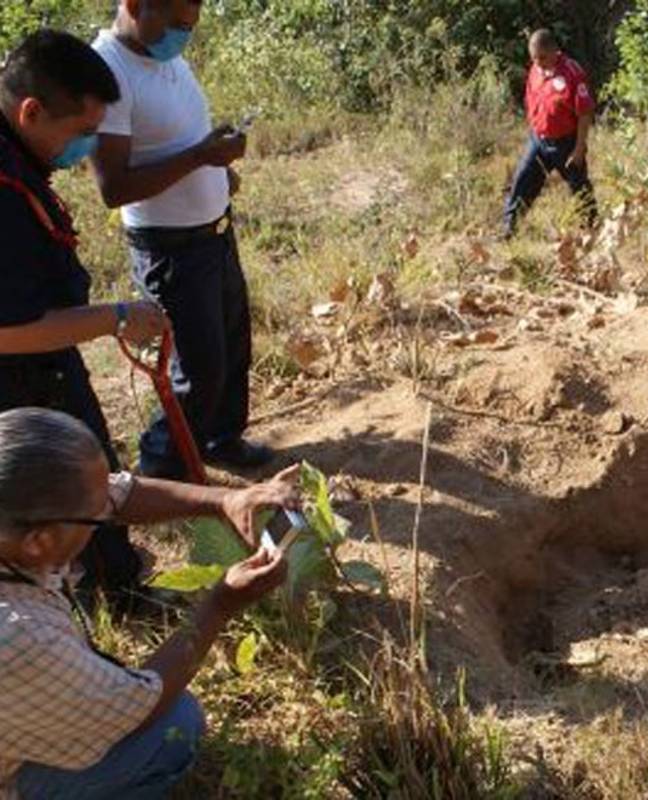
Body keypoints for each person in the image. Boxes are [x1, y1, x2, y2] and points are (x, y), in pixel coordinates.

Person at [0, 407, 298, 799]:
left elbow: (119, 495)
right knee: (175, 726)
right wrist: (221, 604)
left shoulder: (16, 523)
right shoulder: (20, 637)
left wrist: (226, 500)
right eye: (96, 518)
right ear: (38, 542)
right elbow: (140, 707)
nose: (107, 508)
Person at [0, 29, 171, 603]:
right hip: (22, 384)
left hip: (47, 368)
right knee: (67, 487)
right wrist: (116, 316)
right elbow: (8, 332)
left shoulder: (17, 159)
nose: (89, 148)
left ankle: (111, 578)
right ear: (31, 111)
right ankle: (107, 598)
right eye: (82, 133)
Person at [91, 0, 273, 481]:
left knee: (232, 348)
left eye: (190, 27)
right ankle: (160, 472)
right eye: (175, 24)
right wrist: (201, 158)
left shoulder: (165, 54)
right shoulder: (108, 71)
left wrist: (220, 170)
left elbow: (179, 140)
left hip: (214, 232)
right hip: (171, 249)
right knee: (198, 369)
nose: (183, 36)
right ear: (134, 5)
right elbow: (114, 187)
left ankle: (219, 441)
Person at [501, 29, 598, 239]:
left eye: (542, 57)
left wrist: (579, 148)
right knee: (521, 182)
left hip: (567, 143)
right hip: (539, 140)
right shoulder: (535, 70)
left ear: (555, 51)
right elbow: (531, 100)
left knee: (579, 188)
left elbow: (584, 112)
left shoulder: (572, 72)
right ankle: (509, 230)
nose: (538, 62)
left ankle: (591, 230)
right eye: (534, 57)